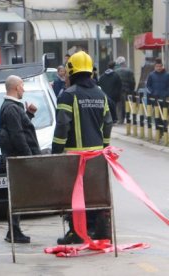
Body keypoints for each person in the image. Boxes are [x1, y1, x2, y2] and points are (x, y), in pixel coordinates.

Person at [52, 51, 113, 244]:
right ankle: (100, 230)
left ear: (71, 71)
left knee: (75, 195)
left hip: (74, 157)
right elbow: (108, 122)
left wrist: (56, 150)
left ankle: (77, 231)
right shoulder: (100, 94)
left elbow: (62, 125)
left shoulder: (69, 95)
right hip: (96, 156)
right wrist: (105, 146)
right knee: (96, 194)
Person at [0, 75, 41, 244]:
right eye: (22, 85)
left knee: (16, 194)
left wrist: (29, 114)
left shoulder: (12, 107)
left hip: (16, 158)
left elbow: (19, 128)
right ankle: (13, 232)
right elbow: (18, 136)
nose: (24, 89)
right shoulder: (11, 108)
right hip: (17, 160)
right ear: (15, 88)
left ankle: (13, 231)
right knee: (16, 195)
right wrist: (29, 159)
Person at [115, 56, 135, 124]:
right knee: (127, 105)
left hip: (119, 91)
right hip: (127, 91)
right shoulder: (129, 71)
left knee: (120, 105)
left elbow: (115, 82)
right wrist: (132, 90)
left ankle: (121, 119)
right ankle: (128, 118)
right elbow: (132, 82)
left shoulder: (116, 71)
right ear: (124, 63)